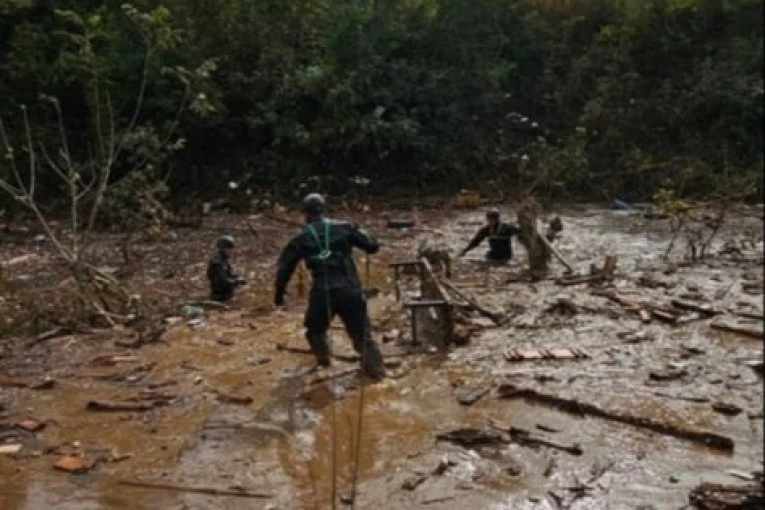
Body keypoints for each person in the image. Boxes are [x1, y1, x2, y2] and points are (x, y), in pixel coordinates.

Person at [274, 193, 386, 381]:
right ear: (323, 209)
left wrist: (278, 294)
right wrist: (361, 230)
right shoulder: (344, 227)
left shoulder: (301, 239)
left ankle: (324, 362)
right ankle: (378, 374)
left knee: (315, 331)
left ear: (305, 213)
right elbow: (373, 246)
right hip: (349, 289)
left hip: (322, 292)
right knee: (362, 336)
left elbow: (284, 268)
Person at [207, 235, 246, 302]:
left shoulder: (224, 260)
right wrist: (237, 281)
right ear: (224, 249)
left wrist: (237, 277)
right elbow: (224, 281)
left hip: (226, 294)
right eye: (230, 249)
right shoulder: (217, 262)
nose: (232, 251)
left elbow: (229, 274)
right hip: (220, 296)